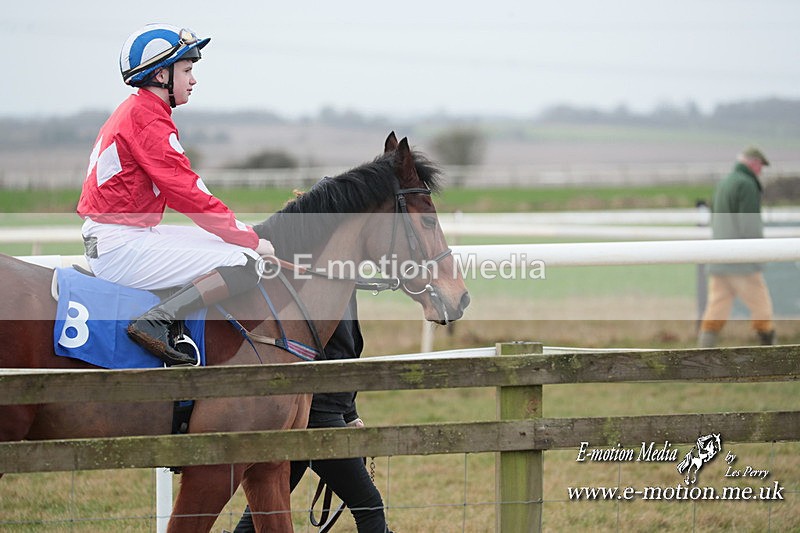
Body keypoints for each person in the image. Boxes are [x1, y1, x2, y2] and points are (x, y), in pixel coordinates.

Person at [77, 24, 274, 365]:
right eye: (186, 70)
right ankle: (156, 322)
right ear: (160, 75)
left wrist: (238, 234)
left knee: (228, 247)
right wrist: (250, 239)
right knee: (246, 262)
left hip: (122, 235)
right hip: (121, 244)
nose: (193, 80)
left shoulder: (139, 111)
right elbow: (188, 193)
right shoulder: (146, 120)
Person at [233, 294, 392, 533]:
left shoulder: (343, 292)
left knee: (266, 506)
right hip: (317, 415)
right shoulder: (318, 295)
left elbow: (343, 355)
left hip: (318, 412)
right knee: (368, 505)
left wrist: (350, 414)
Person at [697, 146, 776, 347]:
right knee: (762, 308)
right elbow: (750, 224)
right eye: (760, 166)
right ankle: (773, 354)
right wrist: (758, 253)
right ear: (753, 163)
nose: (761, 170)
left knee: (716, 309)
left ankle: (702, 353)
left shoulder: (724, 183)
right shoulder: (747, 184)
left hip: (719, 258)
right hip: (741, 261)